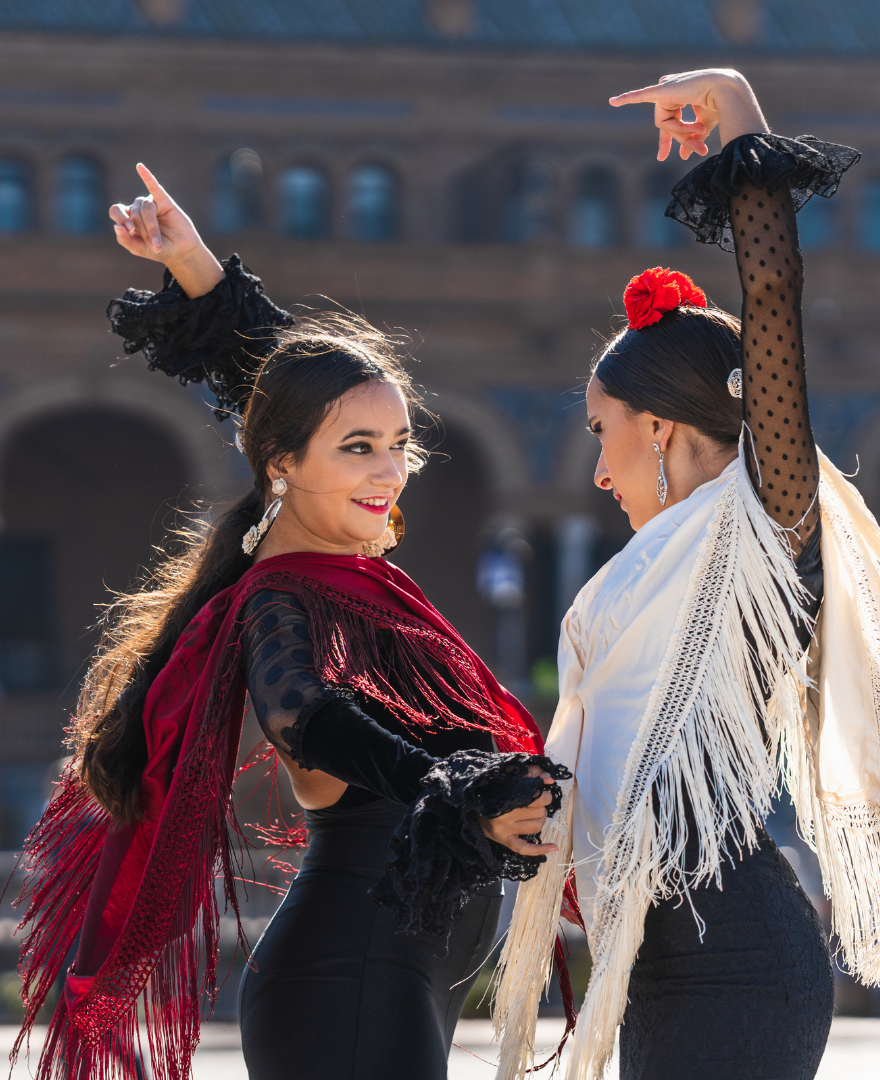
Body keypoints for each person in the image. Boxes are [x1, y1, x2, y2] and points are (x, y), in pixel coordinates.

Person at [14, 164, 573, 1080]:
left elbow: (295, 386)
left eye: (398, 445)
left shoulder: (354, 582)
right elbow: (306, 714)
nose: (387, 472)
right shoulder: (282, 596)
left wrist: (195, 264)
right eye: (358, 450)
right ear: (281, 466)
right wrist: (451, 782)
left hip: (387, 979)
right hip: (347, 982)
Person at [493, 70, 880, 1080]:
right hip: (657, 957)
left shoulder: (762, 522)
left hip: (739, 957)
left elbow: (774, 299)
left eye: (601, 435)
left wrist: (737, 117)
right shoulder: (661, 557)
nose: (599, 466)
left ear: (660, 427)